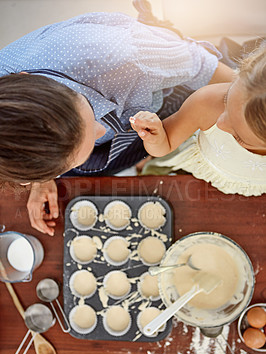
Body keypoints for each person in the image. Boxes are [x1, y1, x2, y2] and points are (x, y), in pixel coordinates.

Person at [0, 10, 233, 235]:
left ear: (28, 79)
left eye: (91, 115)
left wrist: (245, 106)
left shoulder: (128, 56)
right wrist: (44, 176)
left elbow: (204, 65)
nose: (103, 130)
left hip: (162, 91)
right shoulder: (16, 119)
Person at [129, 44, 266, 197]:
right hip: (193, 175)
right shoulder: (206, 102)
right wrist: (156, 139)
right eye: (227, 99)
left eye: (239, 137)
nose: (220, 124)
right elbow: (165, 144)